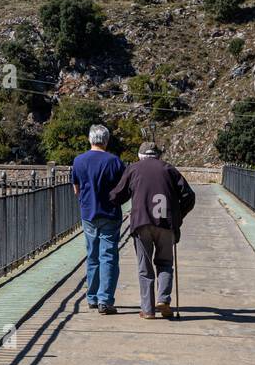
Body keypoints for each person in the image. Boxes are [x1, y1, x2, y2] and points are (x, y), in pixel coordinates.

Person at [109, 142, 195, 319]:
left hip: (142, 222)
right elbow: (189, 195)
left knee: (144, 267)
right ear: (157, 155)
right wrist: (178, 216)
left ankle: (147, 309)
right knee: (164, 263)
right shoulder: (168, 169)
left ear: (140, 155)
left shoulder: (134, 169)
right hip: (165, 223)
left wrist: (108, 198)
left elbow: (117, 196)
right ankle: (163, 299)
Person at [70, 124, 125, 314]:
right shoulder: (115, 162)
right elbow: (123, 190)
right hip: (110, 214)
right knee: (108, 256)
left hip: (88, 215)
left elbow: (76, 190)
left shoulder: (78, 161)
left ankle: (91, 298)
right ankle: (105, 300)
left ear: (90, 139)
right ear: (107, 140)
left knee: (92, 255)